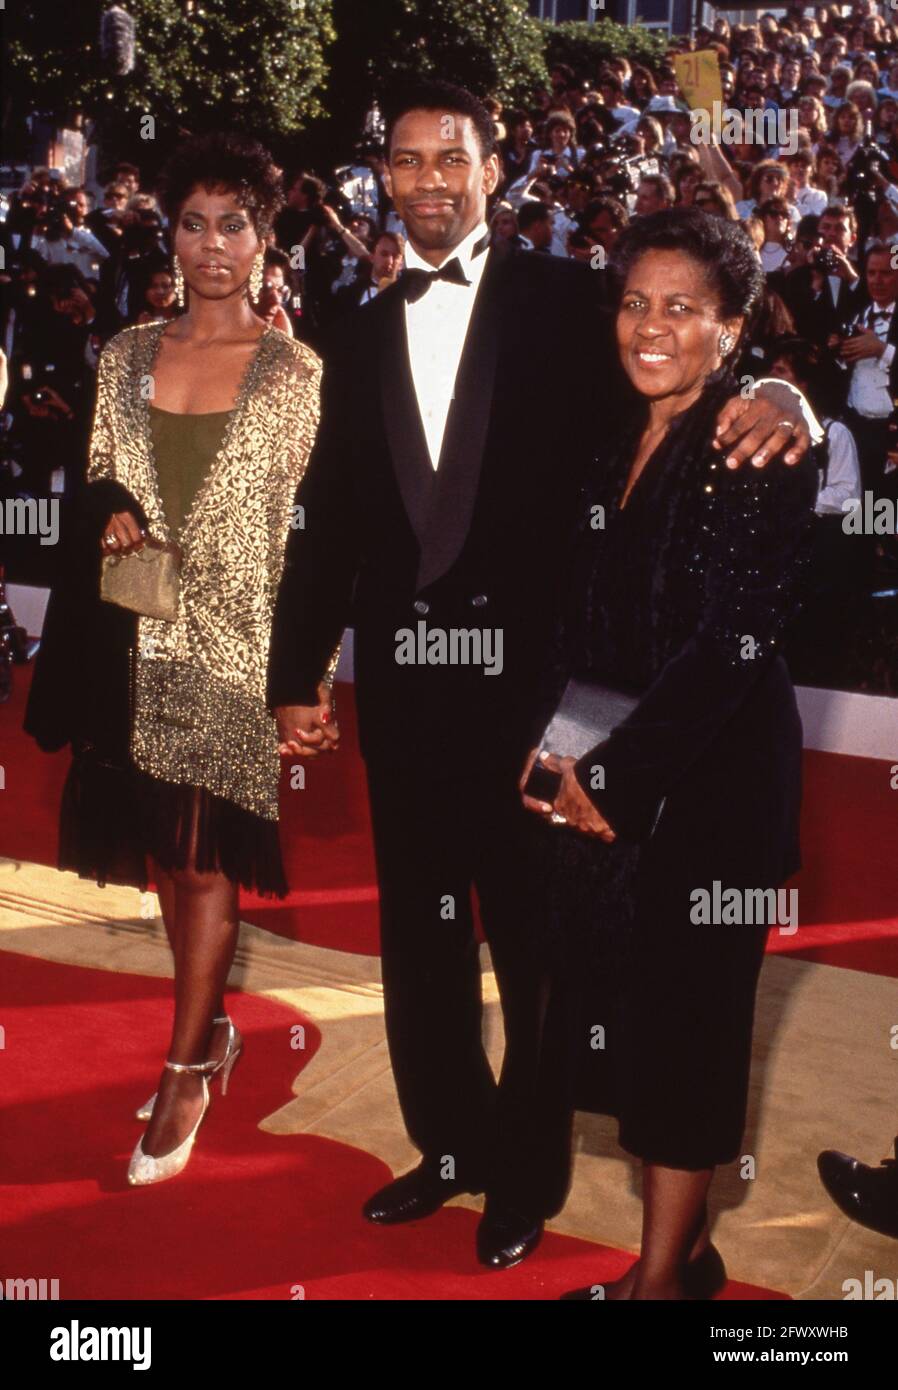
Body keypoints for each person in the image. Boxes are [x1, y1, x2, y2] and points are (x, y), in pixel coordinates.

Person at [266, 81, 817, 1273]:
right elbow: (330, 521)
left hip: (542, 707)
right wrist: (293, 669)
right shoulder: (347, 330)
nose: (424, 180)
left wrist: (788, 391)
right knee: (420, 940)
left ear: (489, 167)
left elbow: (695, 351)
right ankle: (450, 1152)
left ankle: (523, 1174)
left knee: (540, 956)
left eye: (447, 158)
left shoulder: (580, 303)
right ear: (384, 174)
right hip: (404, 697)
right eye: (403, 160)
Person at [522, 209, 817, 1300]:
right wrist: (555, 753)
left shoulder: (756, 445)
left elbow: (728, 646)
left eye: (682, 308)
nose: (650, 327)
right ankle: (682, 1256)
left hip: (712, 790)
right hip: (610, 776)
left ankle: (655, 1287)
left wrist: (616, 777)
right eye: (635, 302)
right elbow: (583, 620)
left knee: (689, 1031)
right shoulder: (616, 435)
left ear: (730, 330)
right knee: (638, 1025)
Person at [24, 131, 326, 1188]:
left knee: (202, 862)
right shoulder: (124, 355)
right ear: (172, 232)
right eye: (192, 223)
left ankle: (190, 1062)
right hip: (128, 636)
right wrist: (108, 510)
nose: (211, 244)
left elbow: (322, 539)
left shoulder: (297, 374)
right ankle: (213, 1032)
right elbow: (96, 478)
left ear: (265, 232)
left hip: (234, 652)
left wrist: (306, 678)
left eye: (233, 222)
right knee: (164, 859)